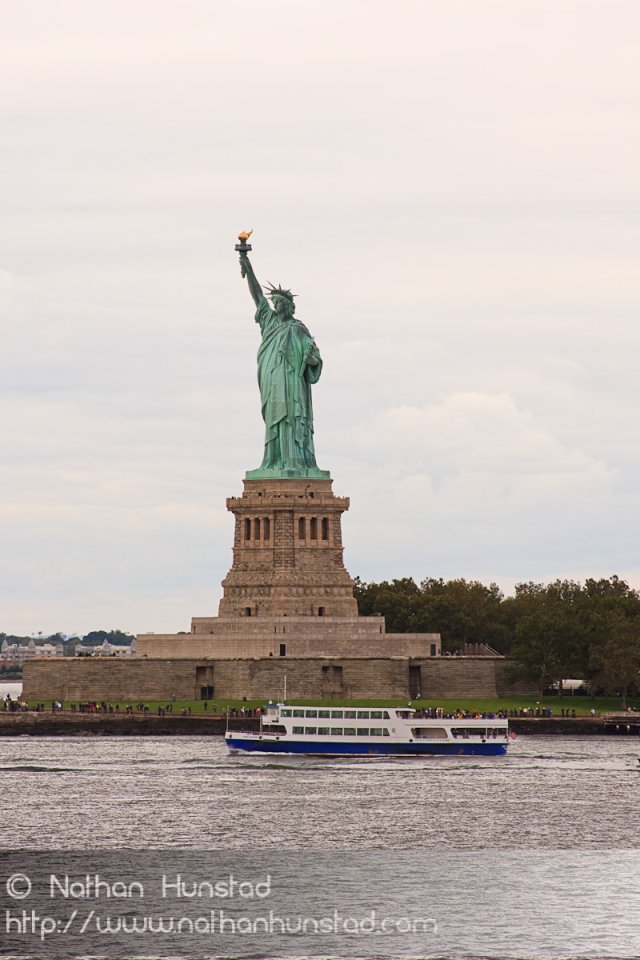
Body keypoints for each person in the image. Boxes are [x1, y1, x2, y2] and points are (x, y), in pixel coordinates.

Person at [238, 249, 323, 472]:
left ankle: (295, 461)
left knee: (292, 418)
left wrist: (313, 360)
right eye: (274, 302)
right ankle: (274, 460)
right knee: (275, 418)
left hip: (292, 383)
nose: (275, 305)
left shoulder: (298, 329)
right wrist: (248, 266)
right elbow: (257, 296)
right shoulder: (269, 321)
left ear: (289, 306)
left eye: (279, 303)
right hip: (273, 380)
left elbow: (313, 358)